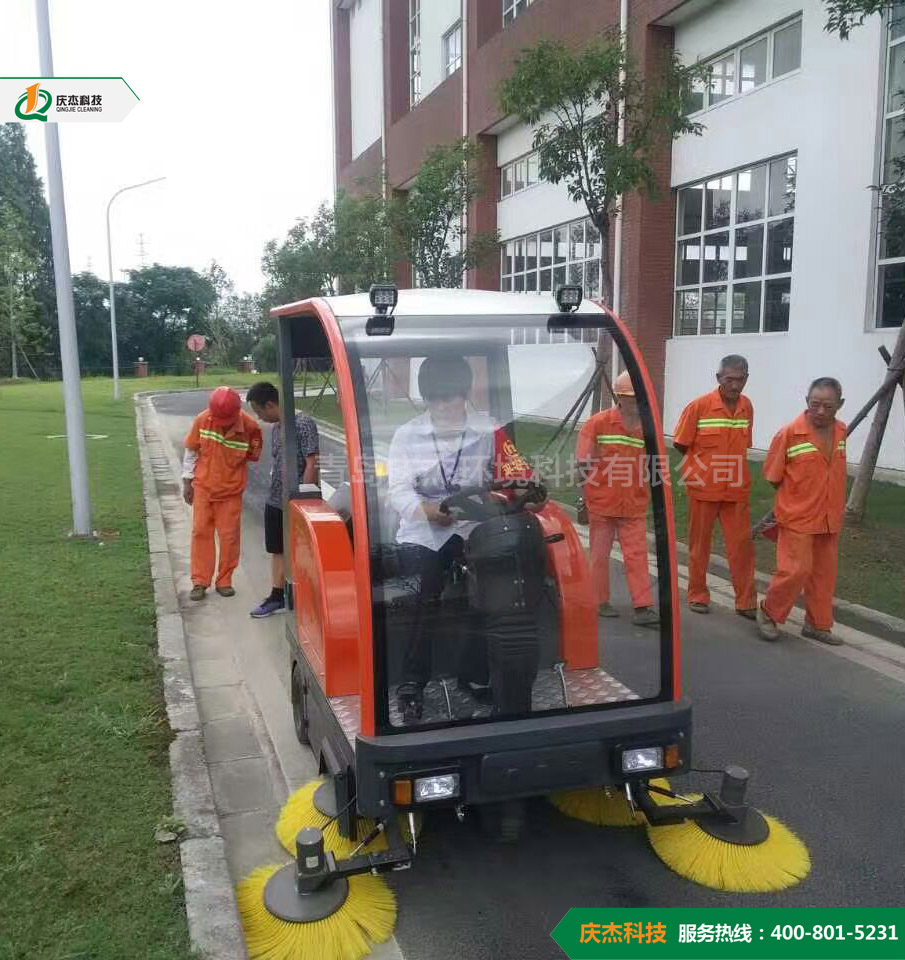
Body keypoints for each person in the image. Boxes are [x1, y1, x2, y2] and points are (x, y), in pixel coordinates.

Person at [386, 355, 540, 721]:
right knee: (427, 593)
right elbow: (398, 490)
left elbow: (518, 473)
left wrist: (527, 490)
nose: (443, 406)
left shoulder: (489, 431)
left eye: (450, 398)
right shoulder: (407, 436)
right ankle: (411, 684)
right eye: (435, 399)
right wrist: (430, 512)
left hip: (475, 531)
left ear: (464, 394)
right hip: (424, 532)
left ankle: (478, 674)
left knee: (500, 588)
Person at [756, 378, 847, 646]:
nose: (820, 411)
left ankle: (817, 624)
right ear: (806, 401)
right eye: (814, 404)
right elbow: (773, 476)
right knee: (795, 570)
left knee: (824, 575)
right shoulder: (789, 434)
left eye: (827, 406)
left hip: (829, 517)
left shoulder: (841, 431)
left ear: (839, 405)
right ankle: (768, 612)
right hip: (798, 516)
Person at [673, 356, 757, 619]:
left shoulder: (747, 407)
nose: (735, 385)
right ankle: (697, 594)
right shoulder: (699, 406)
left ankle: (746, 602)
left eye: (740, 379)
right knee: (700, 545)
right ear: (718, 378)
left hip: (735, 488)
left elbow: (745, 444)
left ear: (746, 378)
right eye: (729, 379)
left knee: (741, 547)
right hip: (704, 488)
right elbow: (681, 443)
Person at [576, 371, 658, 627]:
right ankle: (599, 600)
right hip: (602, 503)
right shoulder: (597, 424)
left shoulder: (648, 427)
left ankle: (642, 607)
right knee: (599, 555)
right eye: (630, 398)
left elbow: (655, 465)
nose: (634, 403)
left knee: (637, 555)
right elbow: (582, 464)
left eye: (638, 398)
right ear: (620, 397)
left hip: (633, 504)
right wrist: (583, 499)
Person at [246, 381, 319, 618]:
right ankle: (277, 595)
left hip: (297, 500)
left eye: (259, 412)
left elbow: (311, 462)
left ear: (270, 405)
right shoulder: (277, 427)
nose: (259, 418)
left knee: (301, 549)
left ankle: (308, 595)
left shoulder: (303, 423)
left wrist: (304, 496)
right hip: (275, 499)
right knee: (277, 548)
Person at [183, 386, 262, 601]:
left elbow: (251, 457)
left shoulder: (251, 428)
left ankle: (224, 580)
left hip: (230, 493)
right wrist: (187, 482)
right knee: (200, 533)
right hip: (203, 489)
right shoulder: (203, 420)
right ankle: (200, 581)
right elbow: (191, 451)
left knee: (229, 538)